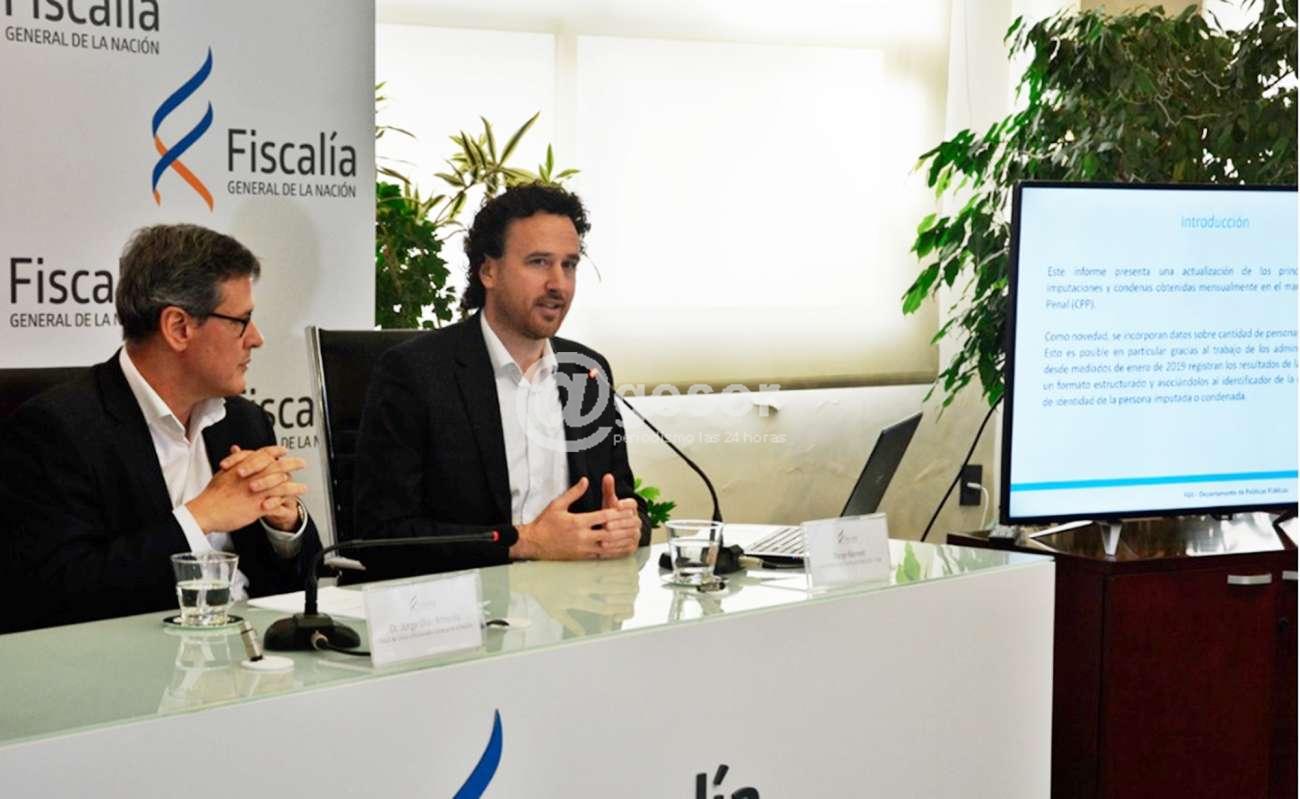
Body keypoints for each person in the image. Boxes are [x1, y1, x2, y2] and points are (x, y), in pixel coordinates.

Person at [0, 224, 321, 632]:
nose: (256, 339)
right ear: (178, 328)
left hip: (251, 649)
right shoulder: (57, 431)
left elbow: (300, 585)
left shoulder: (245, 421)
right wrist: (200, 517)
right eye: (241, 321)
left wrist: (284, 528)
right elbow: (60, 594)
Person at [352, 183, 650, 580]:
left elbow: (624, 501)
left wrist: (627, 525)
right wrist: (525, 542)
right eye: (539, 262)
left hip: (575, 604)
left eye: (569, 265)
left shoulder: (587, 372)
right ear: (488, 271)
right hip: (462, 607)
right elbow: (382, 537)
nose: (558, 284)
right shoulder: (415, 373)